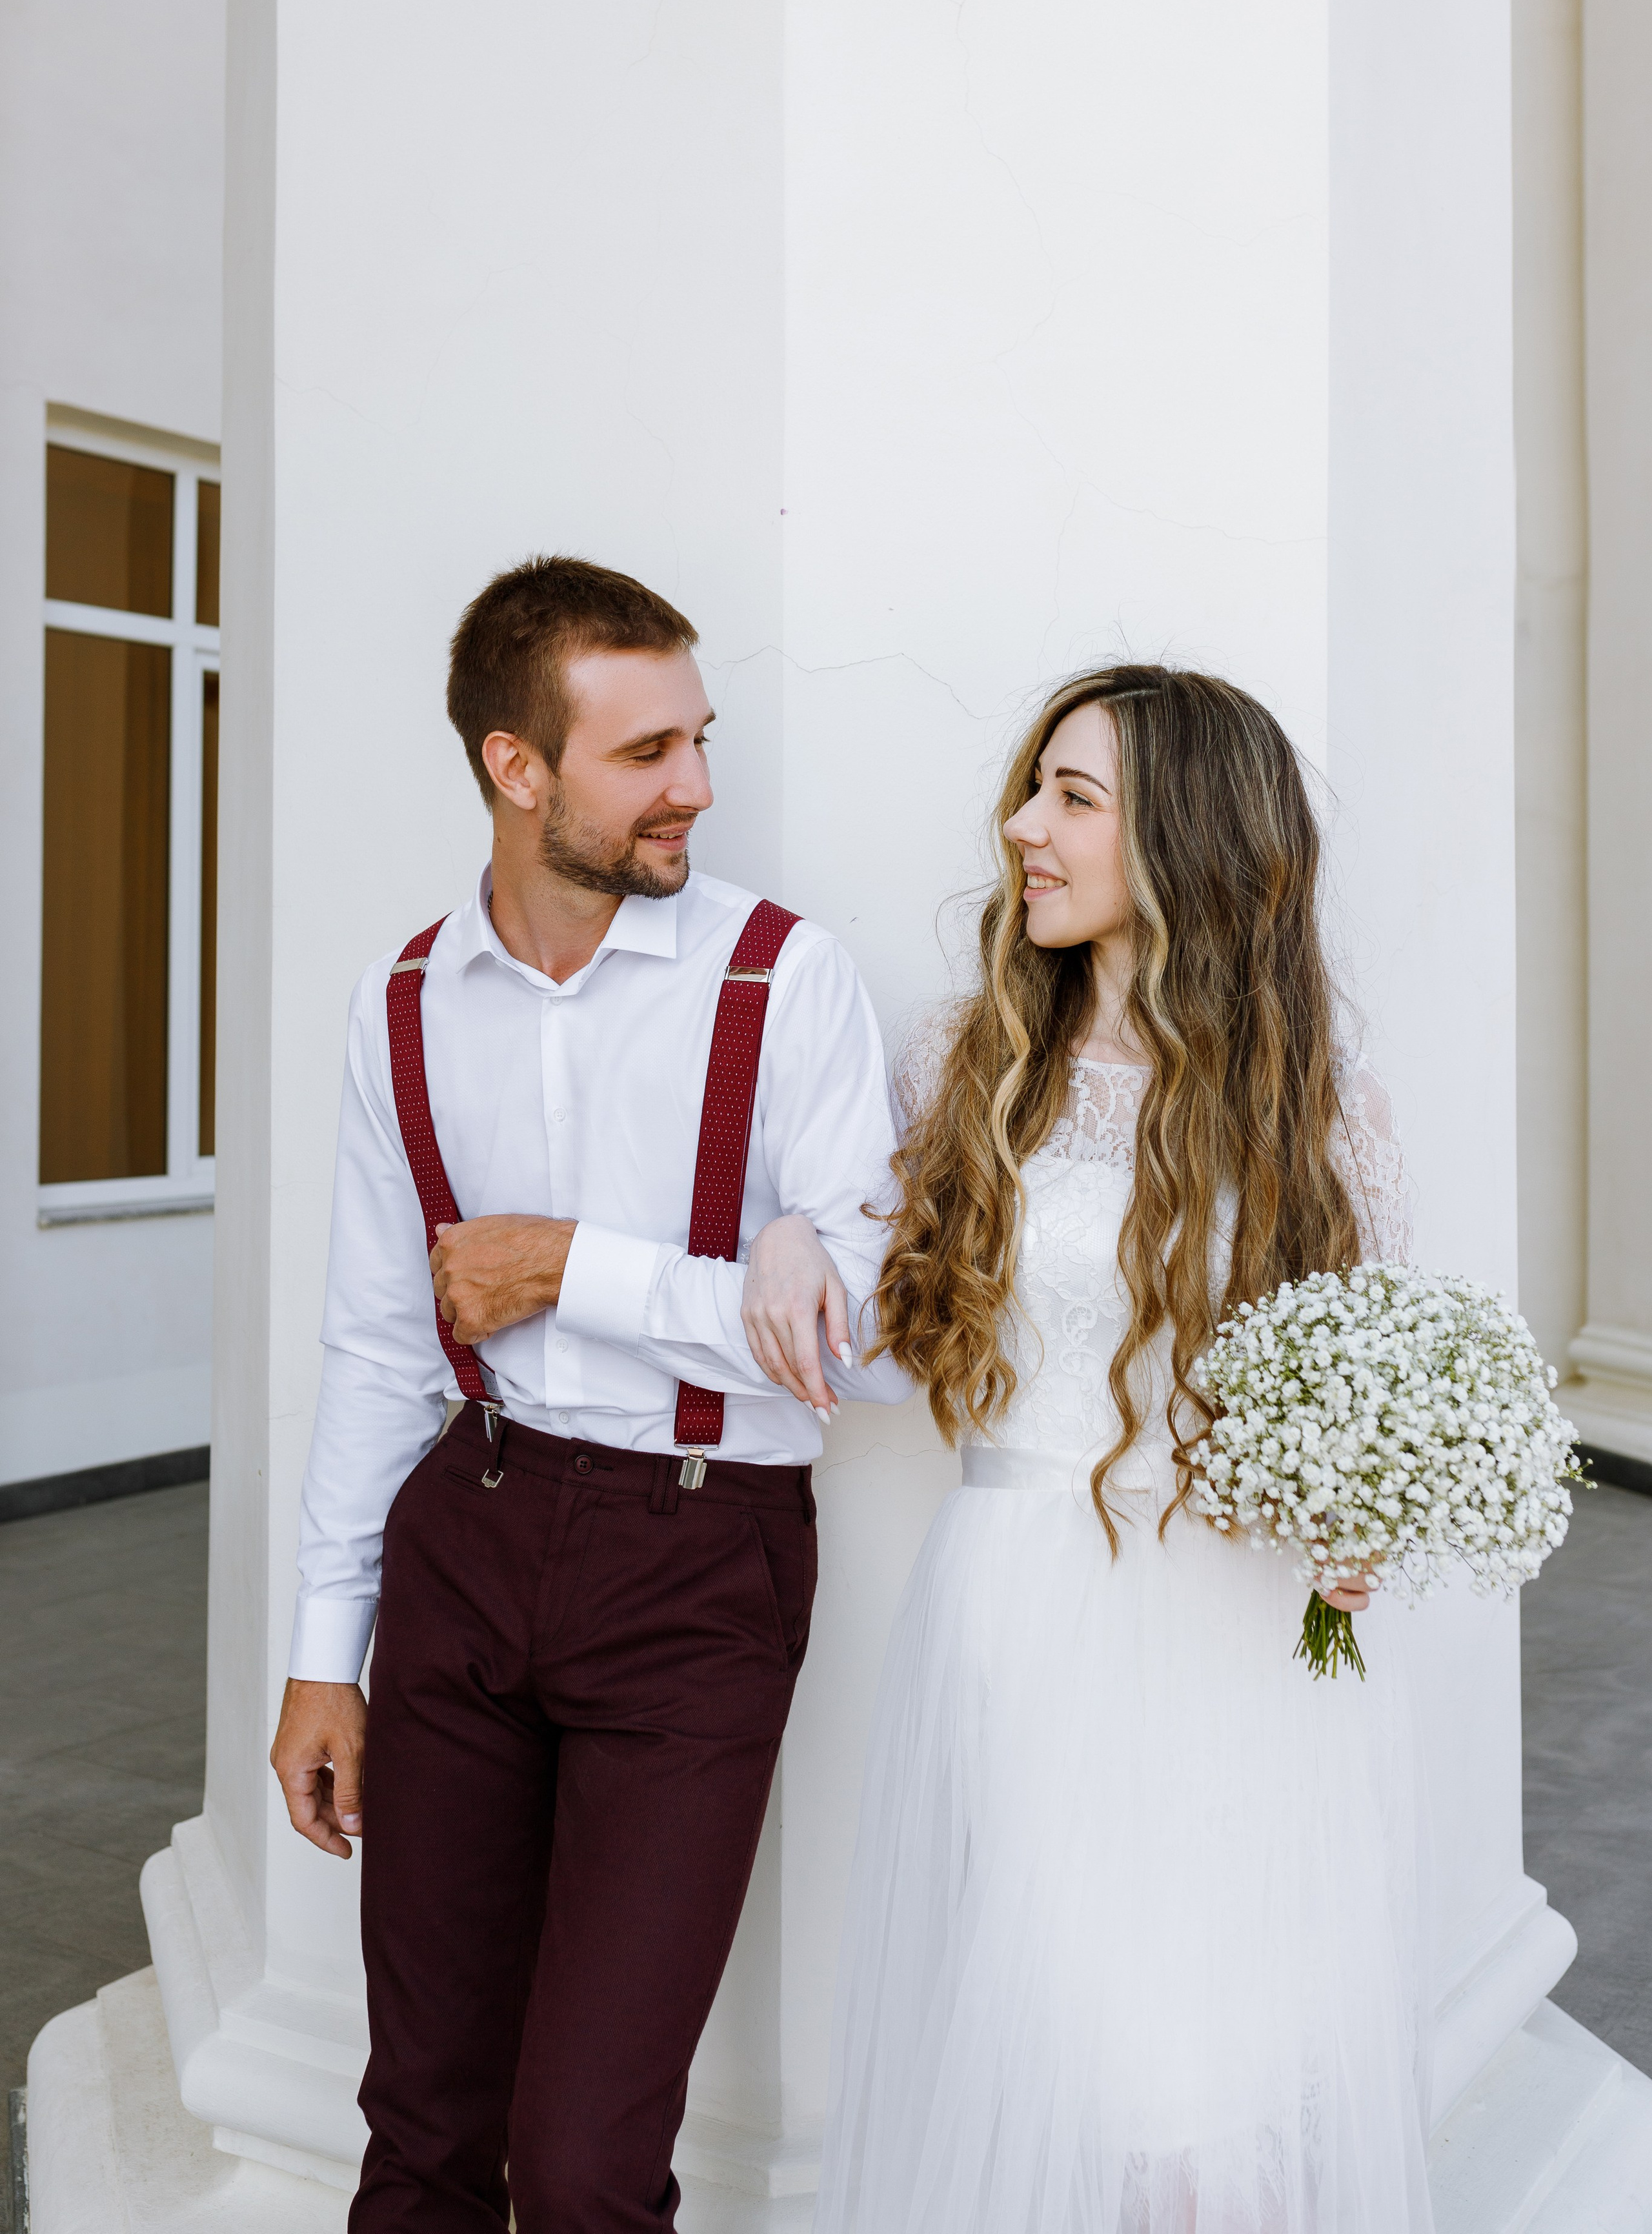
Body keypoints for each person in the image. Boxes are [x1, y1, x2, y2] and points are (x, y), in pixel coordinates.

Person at [741, 665, 1435, 2234]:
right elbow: (875, 1338)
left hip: (1243, 1634)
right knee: (1089, 2060)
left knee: (1218, 2078)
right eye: (1028, 787)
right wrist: (795, 1240)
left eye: (1069, 797)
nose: (1016, 828)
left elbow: (1361, 1380)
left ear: (1183, 837)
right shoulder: (964, 1064)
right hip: (1025, 1616)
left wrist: (1364, 1512)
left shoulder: (1312, 1106)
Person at [268, 554, 908, 2234]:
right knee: (419, 2127)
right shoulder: (404, 1003)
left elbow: (869, 1337)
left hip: (702, 1570)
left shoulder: (785, 984)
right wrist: (325, 1659)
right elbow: (378, 1348)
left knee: (582, 2164)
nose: (697, 786)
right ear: (517, 767)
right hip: (468, 1538)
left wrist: (573, 1267)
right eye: (648, 754)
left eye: (701, 739)